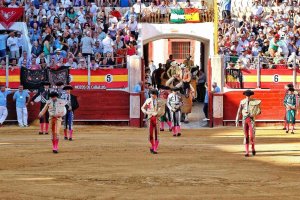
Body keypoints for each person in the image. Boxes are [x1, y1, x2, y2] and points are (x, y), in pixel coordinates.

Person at [235, 90, 260, 157]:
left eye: (249, 96)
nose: (248, 97)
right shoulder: (242, 102)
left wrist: (253, 114)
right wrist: (237, 119)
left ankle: (253, 147)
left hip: (251, 120)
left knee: (252, 135)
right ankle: (247, 151)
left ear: (251, 95)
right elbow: (239, 111)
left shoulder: (255, 102)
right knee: (246, 136)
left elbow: (259, 111)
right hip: (244, 120)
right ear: (245, 96)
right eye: (247, 96)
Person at [141, 89, 165, 154]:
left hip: (157, 118)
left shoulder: (160, 101)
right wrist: (145, 112)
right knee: (150, 134)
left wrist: (156, 113)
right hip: (149, 118)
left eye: (153, 94)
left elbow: (162, 111)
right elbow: (142, 107)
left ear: (156, 94)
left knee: (157, 134)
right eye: (151, 94)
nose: (152, 95)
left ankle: (155, 149)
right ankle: (153, 146)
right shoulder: (148, 100)